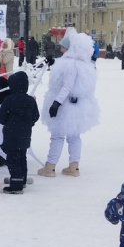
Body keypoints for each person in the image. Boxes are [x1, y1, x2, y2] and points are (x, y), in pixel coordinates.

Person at [37, 28, 100, 177]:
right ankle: (74, 166)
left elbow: (67, 86)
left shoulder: (70, 64)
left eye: (63, 45)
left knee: (57, 136)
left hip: (65, 106)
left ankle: (50, 167)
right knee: (74, 136)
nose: (61, 47)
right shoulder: (83, 63)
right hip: (77, 107)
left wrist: (56, 103)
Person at [0, 71, 40, 194]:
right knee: (21, 158)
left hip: (11, 135)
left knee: (12, 159)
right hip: (25, 135)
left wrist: (8, 122)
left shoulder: (9, 100)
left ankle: (16, 185)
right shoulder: (30, 100)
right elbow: (36, 116)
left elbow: (1, 117)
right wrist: (29, 123)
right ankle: (22, 179)